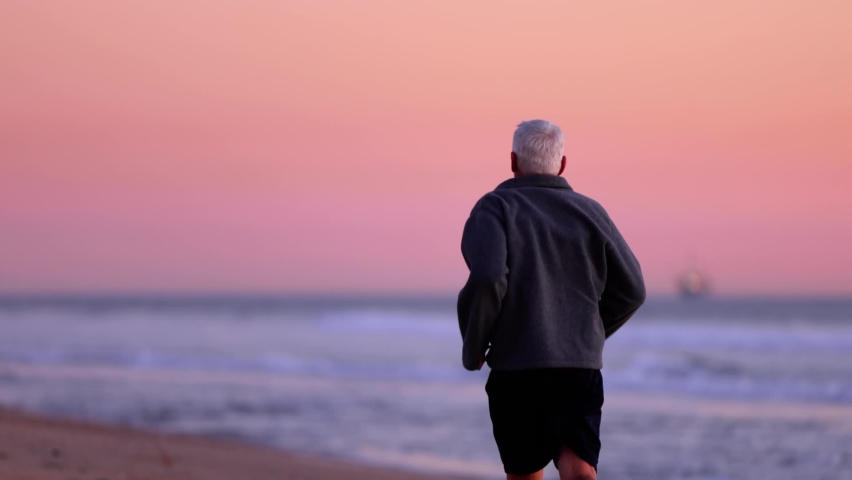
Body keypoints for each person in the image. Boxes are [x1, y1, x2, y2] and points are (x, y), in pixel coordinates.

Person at [457, 119, 646, 480]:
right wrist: (582, 333)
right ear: (561, 165)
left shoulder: (494, 208)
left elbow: (487, 277)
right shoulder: (591, 212)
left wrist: (474, 347)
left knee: (526, 473)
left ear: (513, 162)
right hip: (578, 369)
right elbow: (634, 289)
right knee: (579, 470)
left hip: (517, 369)